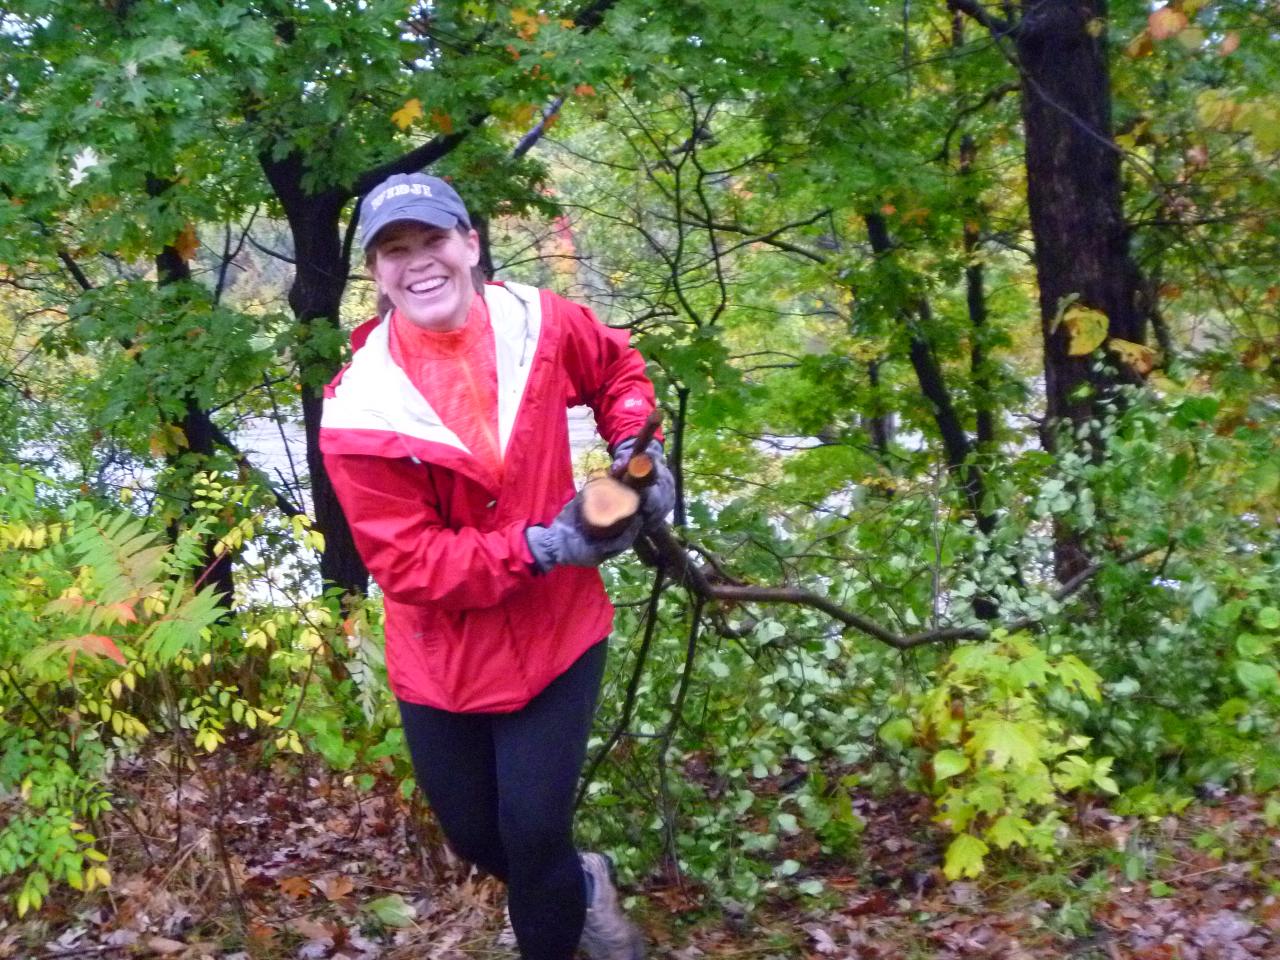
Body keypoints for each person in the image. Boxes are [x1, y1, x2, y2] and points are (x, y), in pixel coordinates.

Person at [319, 172, 674, 960]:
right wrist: (544, 546)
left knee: (534, 831)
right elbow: (409, 564)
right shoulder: (358, 409)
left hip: (559, 634)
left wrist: (635, 453)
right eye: (394, 250)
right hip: (442, 659)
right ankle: (584, 885)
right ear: (376, 274)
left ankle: (555, 913)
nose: (418, 262)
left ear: (471, 245)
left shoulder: (538, 326)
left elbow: (619, 373)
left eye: (433, 240)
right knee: (483, 840)